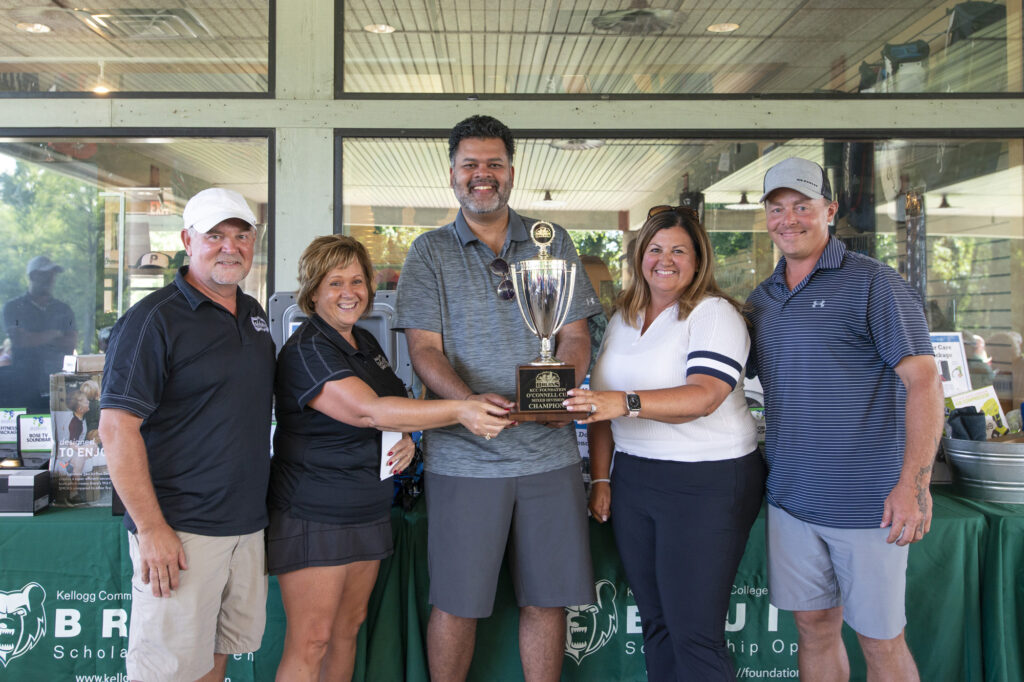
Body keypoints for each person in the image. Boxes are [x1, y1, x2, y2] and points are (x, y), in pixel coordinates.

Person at [395, 114, 602, 682]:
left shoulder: (550, 240)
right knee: (458, 603)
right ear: (453, 174)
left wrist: (558, 394)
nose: (481, 175)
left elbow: (576, 335)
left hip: (549, 458)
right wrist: (468, 405)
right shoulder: (428, 252)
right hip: (464, 459)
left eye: (493, 164)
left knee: (547, 600)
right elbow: (424, 351)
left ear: (511, 171)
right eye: (470, 165)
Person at [270, 235, 511, 682]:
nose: (349, 292)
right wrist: (461, 408)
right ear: (313, 291)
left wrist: (408, 437)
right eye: (335, 282)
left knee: (347, 631)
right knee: (312, 639)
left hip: (366, 507)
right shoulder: (307, 350)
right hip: (313, 512)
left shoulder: (363, 340)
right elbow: (367, 411)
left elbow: (393, 407)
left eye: (357, 281)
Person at [745, 157, 944, 681]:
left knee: (880, 642)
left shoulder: (875, 283)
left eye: (802, 207)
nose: (789, 219)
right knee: (813, 626)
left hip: (869, 504)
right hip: (792, 497)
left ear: (829, 211)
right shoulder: (761, 300)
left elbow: (924, 383)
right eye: (777, 208)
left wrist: (914, 485)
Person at [564, 205, 765, 679]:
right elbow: (599, 405)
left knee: (694, 632)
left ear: (699, 260)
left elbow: (704, 396)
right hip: (635, 477)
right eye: (655, 249)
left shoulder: (714, 314)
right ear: (638, 257)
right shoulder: (622, 318)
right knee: (655, 624)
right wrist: (600, 476)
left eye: (679, 250)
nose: (665, 259)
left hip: (708, 481)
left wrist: (625, 402)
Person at [98, 187, 275, 682]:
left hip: (243, 524)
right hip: (181, 531)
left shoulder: (253, 313)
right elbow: (115, 429)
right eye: (215, 235)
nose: (230, 247)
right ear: (186, 240)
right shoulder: (152, 320)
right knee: (169, 673)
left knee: (215, 661)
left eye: (241, 236)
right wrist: (152, 529)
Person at [2, 255, 77, 411]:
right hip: (23, 387)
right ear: (31, 276)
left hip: (58, 387)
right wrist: (55, 334)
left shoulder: (64, 310)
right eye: (45, 274)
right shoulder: (14, 307)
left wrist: (35, 337)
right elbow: (20, 340)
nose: (50, 278)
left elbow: (71, 342)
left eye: (53, 274)